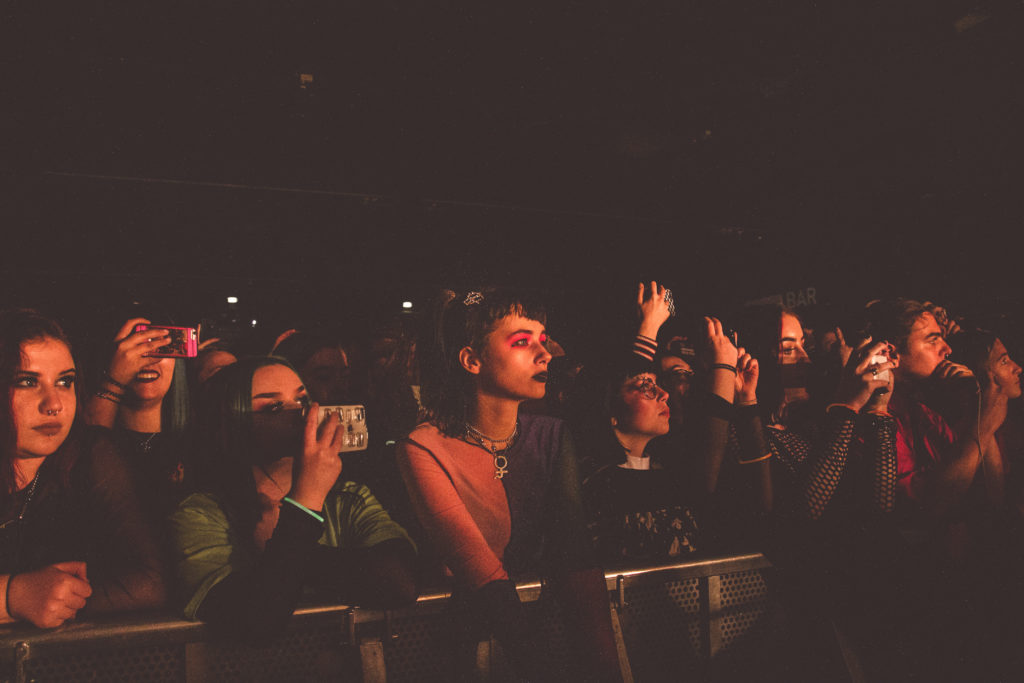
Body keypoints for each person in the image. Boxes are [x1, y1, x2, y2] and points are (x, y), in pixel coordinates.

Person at [397, 288, 622, 683]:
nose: (545, 353)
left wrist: (606, 670)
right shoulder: (424, 446)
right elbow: (481, 572)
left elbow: (575, 553)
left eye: (542, 339)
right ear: (472, 360)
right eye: (522, 341)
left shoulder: (551, 435)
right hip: (447, 652)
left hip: (541, 633)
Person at [170, 356, 417, 643]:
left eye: (302, 400)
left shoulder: (346, 498)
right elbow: (256, 622)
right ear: (231, 422)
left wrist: (288, 550)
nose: (302, 413)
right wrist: (305, 501)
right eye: (274, 407)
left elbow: (400, 582)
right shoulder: (200, 513)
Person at [579, 283, 771, 567]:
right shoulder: (595, 478)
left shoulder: (670, 463)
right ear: (609, 410)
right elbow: (702, 483)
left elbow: (762, 505)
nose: (665, 393)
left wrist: (746, 399)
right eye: (648, 385)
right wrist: (650, 327)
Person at [0, 309, 166, 628]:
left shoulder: (90, 456)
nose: (54, 404)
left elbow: (152, 583)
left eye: (65, 382)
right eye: (27, 382)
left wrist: (61, 600)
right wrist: (11, 596)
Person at [83, 316, 193, 516]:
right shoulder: (91, 438)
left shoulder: (198, 440)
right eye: (135, 347)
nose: (148, 358)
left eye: (161, 346)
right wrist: (113, 381)